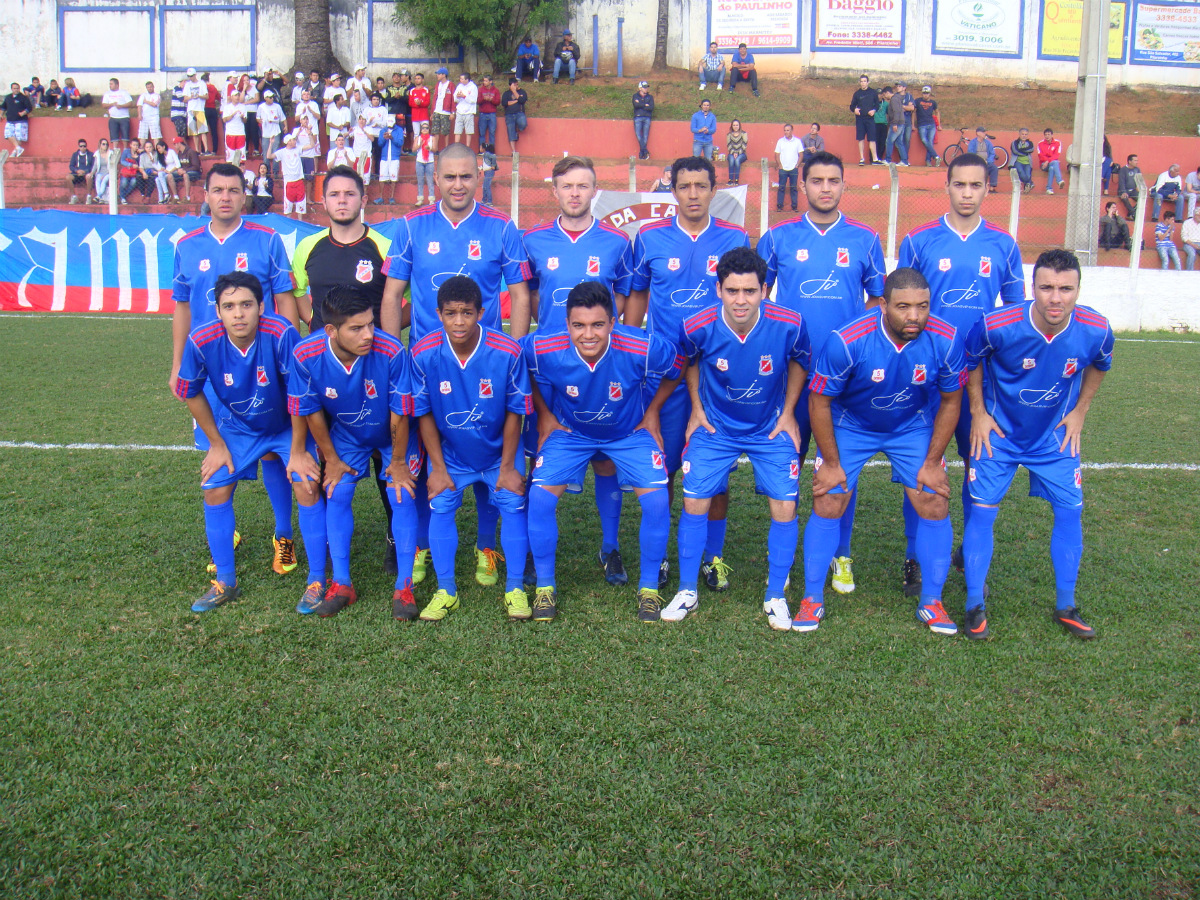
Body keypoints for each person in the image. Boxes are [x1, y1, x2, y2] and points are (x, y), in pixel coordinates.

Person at [381, 143, 532, 587]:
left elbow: (520, 294)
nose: (459, 185)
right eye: (450, 177)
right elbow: (392, 295)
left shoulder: (501, 226)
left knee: (486, 447)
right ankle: (422, 545)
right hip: (427, 366)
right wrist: (394, 356)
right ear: (436, 179)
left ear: (479, 177)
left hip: (486, 365)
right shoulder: (411, 226)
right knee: (424, 455)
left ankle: (487, 547)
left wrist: (514, 352)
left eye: (467, 176)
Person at [796, 266, 966, 635]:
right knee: (829, 498)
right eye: (903, 307)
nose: (914, 316)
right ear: (883, 305)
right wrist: (831, 463)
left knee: (934, 498)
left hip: (910, 425)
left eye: (922, 306)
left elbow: (952, 400)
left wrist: (933, 462)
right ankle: (811, 598)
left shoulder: (947, 339)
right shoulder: (847, 340)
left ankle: (932, 602)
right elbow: (819, 401)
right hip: (851, 423)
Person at [648, 247, 809, 630]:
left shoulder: (790, 323)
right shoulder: (697, 325)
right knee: (694, 499)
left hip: (769, 427)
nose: (741, 300)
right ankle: (688, 590)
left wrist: (788, 411)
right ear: (718, 289)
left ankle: (775, 594)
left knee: (785, 505)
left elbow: (800, 361)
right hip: (716, 427)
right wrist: (696, 408)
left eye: (750, 291)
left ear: (764, 290)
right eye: (732, 290)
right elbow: (688, 361)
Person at [962, 249, 1114, 641]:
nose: (1056, 298)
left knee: (1070, 511)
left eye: (1066, 289)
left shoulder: (1096, 329)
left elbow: (1100, 364)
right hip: (999, 436)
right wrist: (978, 412)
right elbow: (972, 360)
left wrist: (1080, 411)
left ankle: (1066, 605)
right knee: (982, 514)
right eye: (1046, 288)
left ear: (1078, 290)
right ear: (1032, 288)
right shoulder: (996, 324)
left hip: (1053, 437)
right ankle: (975, 604)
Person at [756, 150, 885, 595]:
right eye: (817, 180)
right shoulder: (777, 238)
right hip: (790, 374)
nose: (825, 188)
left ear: (844, 184)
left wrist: (855, 341)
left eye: (833, 180)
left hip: (845, 379)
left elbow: (877, 300)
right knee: (786, 462)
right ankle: (784, 558)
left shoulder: (866, 238)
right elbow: (758, 298)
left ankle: (840, 554)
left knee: (840, 466)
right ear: (802, 185)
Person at [896, 153, 1024, 596]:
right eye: (959, 184)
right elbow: (901, 310)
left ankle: (970, 555)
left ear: (988, 188)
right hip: (926, 376)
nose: (967, 193)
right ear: (947, 186)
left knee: (977, 465)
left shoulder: (1004, 244)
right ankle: (914, 557)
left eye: (976, 185)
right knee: (921, 466)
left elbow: (1014, 315)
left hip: (979, 378)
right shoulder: (918, 240)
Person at [625, 156, 751, 592]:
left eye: (701, 186)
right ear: (673, 190)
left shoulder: (735, 237)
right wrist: (631, 350)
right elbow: (637, 297)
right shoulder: (649, 237)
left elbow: (746, 300)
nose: (693, 194)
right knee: (662, 468)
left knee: (715, 473)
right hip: (665, 374)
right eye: (684, 186)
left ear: (714, 189)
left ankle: (713, 558)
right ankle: (660, 556)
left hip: (717, 374)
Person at [523, 281, 678, 622]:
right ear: (567, 324)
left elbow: (676, 365)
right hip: (571, 433)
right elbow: (521, 366)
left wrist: (653, 411)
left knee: (656, 501)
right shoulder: (541, 347)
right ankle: (545, 587)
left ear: (613, 323)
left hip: (628, 433)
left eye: (597, 325)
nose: (588, 334)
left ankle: (649, 589)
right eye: (578, 325)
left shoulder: (643, 347)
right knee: (540, 498)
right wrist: (544, 414)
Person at [173, 271, 326, 614]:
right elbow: (190, 391)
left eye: (246, 304)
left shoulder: (281, 333)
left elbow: (300, 393)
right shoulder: (201, 340)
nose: (238, 313)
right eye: (229, 306)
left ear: (261, 306)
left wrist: (298, 451)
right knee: (214, 487)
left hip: (287, 425)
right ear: (218, 311)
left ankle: (316, 580)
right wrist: (216, 444)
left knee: (307, 484)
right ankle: (225, 582)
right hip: (238, 428)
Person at [522, 155, 635, 585]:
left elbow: (622, 297)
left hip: (599, 369)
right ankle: (532, 548)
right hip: (549, 368)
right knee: (540, 455)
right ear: (554, 190)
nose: (574, 193)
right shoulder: (533, 240)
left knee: (604, 460)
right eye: (567, 186)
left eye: (583, 185)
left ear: (594, 190)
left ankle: (610, 547)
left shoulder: (616, 241)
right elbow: (529, 295)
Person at [288, 284, 420, 619]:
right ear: (331, 331)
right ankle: (342, 583)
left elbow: (400, 413)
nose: (369, 334)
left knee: (401, 493)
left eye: (371, 324)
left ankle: (404, 587)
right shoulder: (305, 354)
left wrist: (399, 462)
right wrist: (331, 459)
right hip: (347, 435)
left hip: (394, 437)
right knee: (337, 491)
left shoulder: (391, 351)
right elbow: (311, 411)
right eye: (357, 328)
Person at [411, 275, 532, 621]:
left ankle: (515, 588)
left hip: (499, 454)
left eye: (467, 312)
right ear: (438, 314)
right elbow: (424, 414)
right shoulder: (423, 354)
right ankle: (446, 591)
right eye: (451, 313)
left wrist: (507, 467)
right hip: (451, 455)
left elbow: (515, 412)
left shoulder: (507, 351)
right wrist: (438, 468)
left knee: (513, 505)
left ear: (481, 312)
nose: (459, 321)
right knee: (440, 505)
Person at [850, 75, 878, 166]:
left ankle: (875, 159)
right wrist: (855, 110)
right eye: (861, 81)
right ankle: (862, 158)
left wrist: (874, 110)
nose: (863, 83)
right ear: (860, 82)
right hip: (860, 119)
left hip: (870, 118)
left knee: (872, 138)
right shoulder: (857, 93)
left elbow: (877, 105)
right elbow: (852, 106)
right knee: (861, 138)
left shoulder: (873, 92)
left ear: (868, 82)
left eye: (864, 81)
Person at [376, 115, 404, 205]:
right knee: (382, 177)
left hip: (394, 157)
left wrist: (392, 138)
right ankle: (381, 197)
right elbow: (380, 144)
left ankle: (391, 197)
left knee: (393, 177)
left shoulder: (399, 130)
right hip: (384, 157)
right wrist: (384, 138)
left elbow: (400, 142)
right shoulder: (383, 130)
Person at [257, 91, 286, 176]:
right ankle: (267, 171)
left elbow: (282, 118)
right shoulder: (261, 107)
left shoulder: (277, 106)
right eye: (270, 97)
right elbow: (257, 118)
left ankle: (276, 171)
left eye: (272, 97)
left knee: (275, 151)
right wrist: (261, 121)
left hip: (275, 131)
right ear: (265, 98)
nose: (272, 98)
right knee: (266, 152)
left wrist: (286, 126)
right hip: (266, 133)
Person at [774, 123, 802, 211]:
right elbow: (777, 154)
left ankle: (794, 206)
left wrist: (797, 165)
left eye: (788, 130)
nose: (786, 132)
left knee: (793, 188)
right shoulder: (780, 141)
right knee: (781, 187)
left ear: (792, 131)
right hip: (783, 169)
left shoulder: (797, 141)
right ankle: (779, 206)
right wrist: (780, 165)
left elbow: (801, 154)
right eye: (785, 130)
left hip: (793, 168)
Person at [184, 69, 212, 155]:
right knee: (194, 132)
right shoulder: (187, 85)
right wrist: (191, 97)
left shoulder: (201, 83)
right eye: (189, 76)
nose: (190, 78)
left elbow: (207, 96)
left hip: (200, 109)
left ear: (195, 75)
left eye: (191, 76)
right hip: (191, 110)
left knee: (203, 130)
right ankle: (197, 150)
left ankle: (206, 149)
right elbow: (185, 98)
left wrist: (199, 96)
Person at [101, 78, 133, 148]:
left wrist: (121, 106)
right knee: (114, 137)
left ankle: (125, 149)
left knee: (125, 136)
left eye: (111, 84)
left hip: (124, 117)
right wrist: (112, 104)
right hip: (113, 118)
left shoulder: (124, 92)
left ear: (117, 85)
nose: (110, 85)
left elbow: (130, 103)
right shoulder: (107, 94)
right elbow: (104, 105)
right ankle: (115, 149)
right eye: (109, 84)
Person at [172, 137, 203, 204]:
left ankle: (187, 198)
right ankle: (175, 197)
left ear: (179, 143)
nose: (174, 146)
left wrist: (185, 171)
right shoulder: (180, 153)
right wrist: (180, 170)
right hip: (184, 172)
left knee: (185, 175)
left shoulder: (191, 152)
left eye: (174, 144)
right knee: (170, 176)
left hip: (195, 173)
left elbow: (196, 166)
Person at [429, 67, 453, 152]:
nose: (437, 76)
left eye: (439, 74)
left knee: (445, 131)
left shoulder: (450, 84)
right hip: (437, 110)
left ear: (444, 75)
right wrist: (432, 112)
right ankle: (435, 148)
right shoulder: (437, 84)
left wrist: (452, 112)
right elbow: (434, 98)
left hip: (445, 111)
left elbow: (453, 99)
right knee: (435, 131)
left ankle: (446, 149)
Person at [967, 127, 999, 191]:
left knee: (994, 168)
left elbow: (992, 153)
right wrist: (979, 160)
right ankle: (976, 188)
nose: (985, 133)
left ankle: (992, 188)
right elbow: (971, 153)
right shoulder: (972, 142)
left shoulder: (988, 143)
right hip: (976, 163)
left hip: (987, 163)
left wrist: (988, 161)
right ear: (978, 133)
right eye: (983, 132)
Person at [914, 85, 939, 166]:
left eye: (927, 93)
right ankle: (936, 156)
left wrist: (938, 124)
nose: (925, 95)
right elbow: (913, 112)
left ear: (930, 93)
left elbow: (937, 112)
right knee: (924, 140)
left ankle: (928, 160)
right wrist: (913, 124)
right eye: (924, 93)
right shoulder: (917, 101)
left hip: (931, 124)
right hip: (921, 124)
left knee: (930, 142)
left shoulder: (933, 102)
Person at [412, 120, 435, 205]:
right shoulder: (418, 138)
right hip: (420, 161)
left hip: (430, 161)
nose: (425, 129)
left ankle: (431, 199)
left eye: (427, 128)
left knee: (430, 180)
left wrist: (430, 148)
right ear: (421, 130)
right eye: (423, 128)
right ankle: (420, 199)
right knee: (420, 180)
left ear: (429, 129)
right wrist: (420, 145)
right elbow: (413, 149)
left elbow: (435, 149)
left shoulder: (432, 138)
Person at [885, 85, 909, 165]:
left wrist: (894, 123)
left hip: (896, 124)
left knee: (889, 141)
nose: (885, 97)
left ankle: (888, 160)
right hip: (901, 123)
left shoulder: (894, 99)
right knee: (899, 142)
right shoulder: (897, 98)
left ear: (887, 93)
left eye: (885, 95)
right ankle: (904, 161)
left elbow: (896, 112)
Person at [453, 72, 478, 148]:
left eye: (462, 79)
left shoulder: (473, 87)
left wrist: (464, 96)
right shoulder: (459, 86)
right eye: (460, 78)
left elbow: (473, 100)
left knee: (469, 131)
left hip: (469, 111)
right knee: (457, 130)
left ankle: (467, 147)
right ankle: (456, 147)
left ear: (467, 79)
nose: (460, 80)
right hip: (459, 111)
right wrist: (458, 96)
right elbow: (455, 98)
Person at [67, 138, 95, 205]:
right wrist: (77, 171)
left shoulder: (91, 155)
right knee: (68, 177)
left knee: (89, 177)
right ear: (78, 147)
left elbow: (93, 166)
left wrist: (85, 171)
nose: (83, 148)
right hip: (77, 174)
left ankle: (88, 197)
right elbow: (71, 166)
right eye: (81, 146)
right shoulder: (75, 155)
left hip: (86, 174)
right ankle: (74, 196)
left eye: (84, 146)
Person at [501, 77, 528, 146]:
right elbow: (504, 103)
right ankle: (513, 150)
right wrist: (516, 100)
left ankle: (518, 128)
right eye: (514, 85)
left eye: (517, 84)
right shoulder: (506, 93)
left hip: (519, 113)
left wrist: (515, 92)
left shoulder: (522, 92)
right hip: (509, 114)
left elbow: (522, 100)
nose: (516, 86)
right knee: (511, 132)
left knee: (523, 124)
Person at [222, 91, 247, 164]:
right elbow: (224, 120)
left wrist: (242, 117)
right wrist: (233, 115)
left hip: (240, 133)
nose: (237, 97)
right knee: (230, 157)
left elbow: (245, 121)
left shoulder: (243, 107)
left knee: (241, 157)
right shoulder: (227, 107)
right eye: (235, 95)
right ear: (231, 97)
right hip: (230, 133)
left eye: (238, 95)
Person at [477, 74, 500, 150]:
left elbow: (498, 102)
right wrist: (483, 99)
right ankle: (482, 150)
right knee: (482, 132)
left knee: (492, 132)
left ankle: (491, 150)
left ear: (490, 81)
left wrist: (491, 100)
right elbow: (478, 101)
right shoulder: (480, 90)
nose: (484, 82)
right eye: (484, 81)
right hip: (482, 113)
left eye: (486, 81)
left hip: (492, 114)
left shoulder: (496, 90)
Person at [1038, 128, 1064, 193]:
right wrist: (1047, 161)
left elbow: (1056, 155)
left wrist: (1048, 161)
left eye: (1048, 134)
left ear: (1052, 135)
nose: (1047, 136)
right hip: (1043, 165)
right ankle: (1059, 180)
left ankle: (1049, 188)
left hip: (1051, 163)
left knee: (1052, 167)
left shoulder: (1057, 143)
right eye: (1046, 135)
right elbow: (1041, 156)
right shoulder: (1040, 144)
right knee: (1055, 162)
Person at [632, 81, 654, 160]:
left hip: (647, 117)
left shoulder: (650, 97)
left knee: (645, 136)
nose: (646, 89)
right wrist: (645, 105)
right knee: (638, 135)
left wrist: (641, 104)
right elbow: (636, 105)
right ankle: (645, 151)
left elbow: (651, 107)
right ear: (640, 88)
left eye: (647, 87)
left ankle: (642, 154)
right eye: (644, 87)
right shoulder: (635, 96)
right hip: (638, 117)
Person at [1010, 128, 1035, 193]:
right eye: (1022, 134)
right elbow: (1015, 151)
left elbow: (1031, 149)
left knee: (1028, 175)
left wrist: (1021, 150)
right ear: (1019, 134)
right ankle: (1030, 183)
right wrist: (1025, 152)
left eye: (1025, 134)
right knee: (1021, 173)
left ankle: (1027, 186)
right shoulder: (1014, 143)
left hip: (1028, 162)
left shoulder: (1030, 143)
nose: (1024, 136)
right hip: (1017, 161)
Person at [871, 85, 892, 165]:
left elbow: (889, 113)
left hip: (883, 124)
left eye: (880, 94)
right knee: (874, 141)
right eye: (877, 94)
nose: (879, 96)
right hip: (875, 124)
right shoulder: (872, 103)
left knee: (882, 142)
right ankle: (873, 158)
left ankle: (879, 157)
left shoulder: (886, 104)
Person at [1117, 153, 1141, 220]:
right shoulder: (1123, 170)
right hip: (1124, 190)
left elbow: (1140, 180)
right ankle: (1133, 213)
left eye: (1137, 160)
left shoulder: (1137, 169)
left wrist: (1139, 187)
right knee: (1124, 198)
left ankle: (1131, 214)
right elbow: (1121, 182)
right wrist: (1123, 192)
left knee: (1141, 199)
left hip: (1133, 190)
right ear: (1130, 161)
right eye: (1135, 160)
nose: (1137, 162)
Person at [408, 72, 430, 143]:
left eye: (418, 78)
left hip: (424, 116)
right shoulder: (412, 91)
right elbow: (410, 103)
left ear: (422, 80)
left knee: (425, 133)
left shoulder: (426, 90)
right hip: (415, 116)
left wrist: (421, 103)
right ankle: (416, 148)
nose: (417, 80)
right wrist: (417, 104)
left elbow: (427, 102)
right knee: (416, 134)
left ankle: (426, 147)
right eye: (416, 79)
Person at [725, 119, 748, 186]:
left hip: (742, 154)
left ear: (739, 126)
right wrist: (733, 153)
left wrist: (738, 153)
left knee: (737, 160)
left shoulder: (744, 134)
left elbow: (744, 145)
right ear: (732, 126)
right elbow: (729, 145)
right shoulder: (729, 135)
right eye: (734, 125)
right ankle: (730, 180)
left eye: (737, 125)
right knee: (732, 160)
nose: (735, 127)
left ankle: (736, 180)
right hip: (731, 153)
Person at [91, 138, 112, 203]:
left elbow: (112, 166)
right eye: (103, 144)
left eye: (106, 144)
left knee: (104, 181)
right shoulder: (97, 154)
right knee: (98, 180)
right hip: (100, 172)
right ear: (100, 145)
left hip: (109, 173)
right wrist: (92, 173)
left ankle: (99, 196)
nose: (105, 145)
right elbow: (95, 165)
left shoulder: (110, 153)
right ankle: (100, 198)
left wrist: (105, 174)